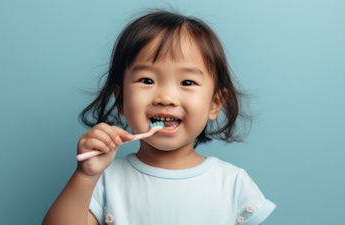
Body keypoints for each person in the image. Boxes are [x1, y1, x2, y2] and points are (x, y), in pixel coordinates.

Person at [42, 10, 276, 225]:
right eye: (147, 80)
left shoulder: (233, 183)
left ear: (214, 103)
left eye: (187, 82)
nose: (166, 97)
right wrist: (85, 175)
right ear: (121, 100)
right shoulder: (106, 179)